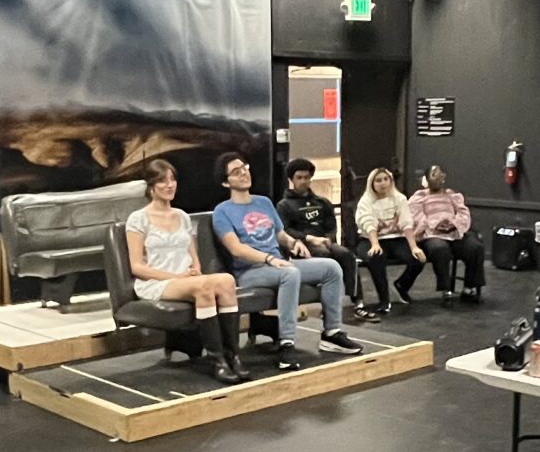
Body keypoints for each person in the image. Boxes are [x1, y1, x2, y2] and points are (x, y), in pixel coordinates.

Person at [211, 153, 363, 371]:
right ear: (226, 181)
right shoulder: (222, 211)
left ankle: (331, 333)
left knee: (331, 268)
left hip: (277, 264)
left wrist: (294, 243)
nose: (244, 173)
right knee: (289, 273)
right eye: (236, 172)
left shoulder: (263, 202)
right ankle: (287, 343)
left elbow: (280, 234)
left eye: (244, 167)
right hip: (250, 271)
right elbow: (236, 249)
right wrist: (269, 258)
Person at [126, 159, 247, 383]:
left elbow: (194, 257)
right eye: (162, 181)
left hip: (186, 279)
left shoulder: (182, 216)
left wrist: (196, 272)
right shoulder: (138, 219)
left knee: (227, 281)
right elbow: (137, 267)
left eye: (172, 180)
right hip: (156, 282)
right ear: (151, 186)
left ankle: (233, 355)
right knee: (203, 287)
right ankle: (216, 360)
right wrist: (178, 277)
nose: (169, 185)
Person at [278, 159, 372, 319]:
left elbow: (331, 226)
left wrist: (328, 239)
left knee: (346, 255)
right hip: (301, 246)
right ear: (292, 179)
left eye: (306, 177)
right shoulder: (284, 205)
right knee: (325, 258)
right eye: (299, 177)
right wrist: (309, 238)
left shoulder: (322, 202)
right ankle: (327, 306)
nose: (303, 181)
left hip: (324, 242)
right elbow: (285, 230)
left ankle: (358, 303)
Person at [353, 165, 429, 311]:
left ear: (391, 181)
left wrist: (414, 247)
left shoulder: (399, 199)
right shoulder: (366, 201)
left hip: (395, 239)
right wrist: (375, 244)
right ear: (372, 184)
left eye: (385, 179)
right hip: (369, 239)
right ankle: (384, 301)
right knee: (376, 257)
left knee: (417, 259)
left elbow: (406, 223)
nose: (382, 183)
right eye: (378, 181)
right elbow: (368, 223)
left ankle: (402, 285)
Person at [408, 165, 487, 302]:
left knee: (475, 247)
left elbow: (463, 213)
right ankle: (446, 289)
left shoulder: (452, 196)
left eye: (440, 174)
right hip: (431, 234)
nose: (438, 177)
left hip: (453, 233)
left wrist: (454, 224)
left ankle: (469, 287)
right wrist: (434, 224)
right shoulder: (419, 197)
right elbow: (417, 216)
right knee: (440, 249)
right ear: (426, 179)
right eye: (434, 174)